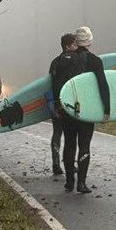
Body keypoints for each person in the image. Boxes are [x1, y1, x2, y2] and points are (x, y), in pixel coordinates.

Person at [61, 26, 110, 194]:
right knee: (84, 145)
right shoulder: (95, 60)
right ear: (89, 41)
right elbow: (103, 85)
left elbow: (58, 85)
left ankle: (69, 182)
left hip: (68, 109)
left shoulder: (64, 59)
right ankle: (81, 184)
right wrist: (107, 109)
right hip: (87, 110)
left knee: (69, 144)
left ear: (76, 41)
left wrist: (59, 107)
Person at [48, 33, 82, 176]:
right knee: (71, 136)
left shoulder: (55, 62)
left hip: (57, 104)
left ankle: (56, 163)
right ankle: (69, 164)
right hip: (71, 104)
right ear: (68, 46)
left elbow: (50, 84)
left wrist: (52, 105)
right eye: (74, 44)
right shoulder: (76, 61)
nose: (76, 46)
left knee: (57, 132)